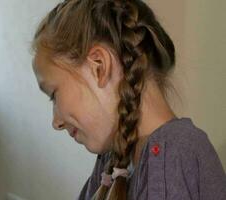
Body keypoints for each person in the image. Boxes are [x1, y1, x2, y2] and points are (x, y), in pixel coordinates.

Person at [30, 0, 226, 199]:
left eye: (54, 95)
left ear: (99, 66)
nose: (56, 122)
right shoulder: (113, 161)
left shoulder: (174, 153)